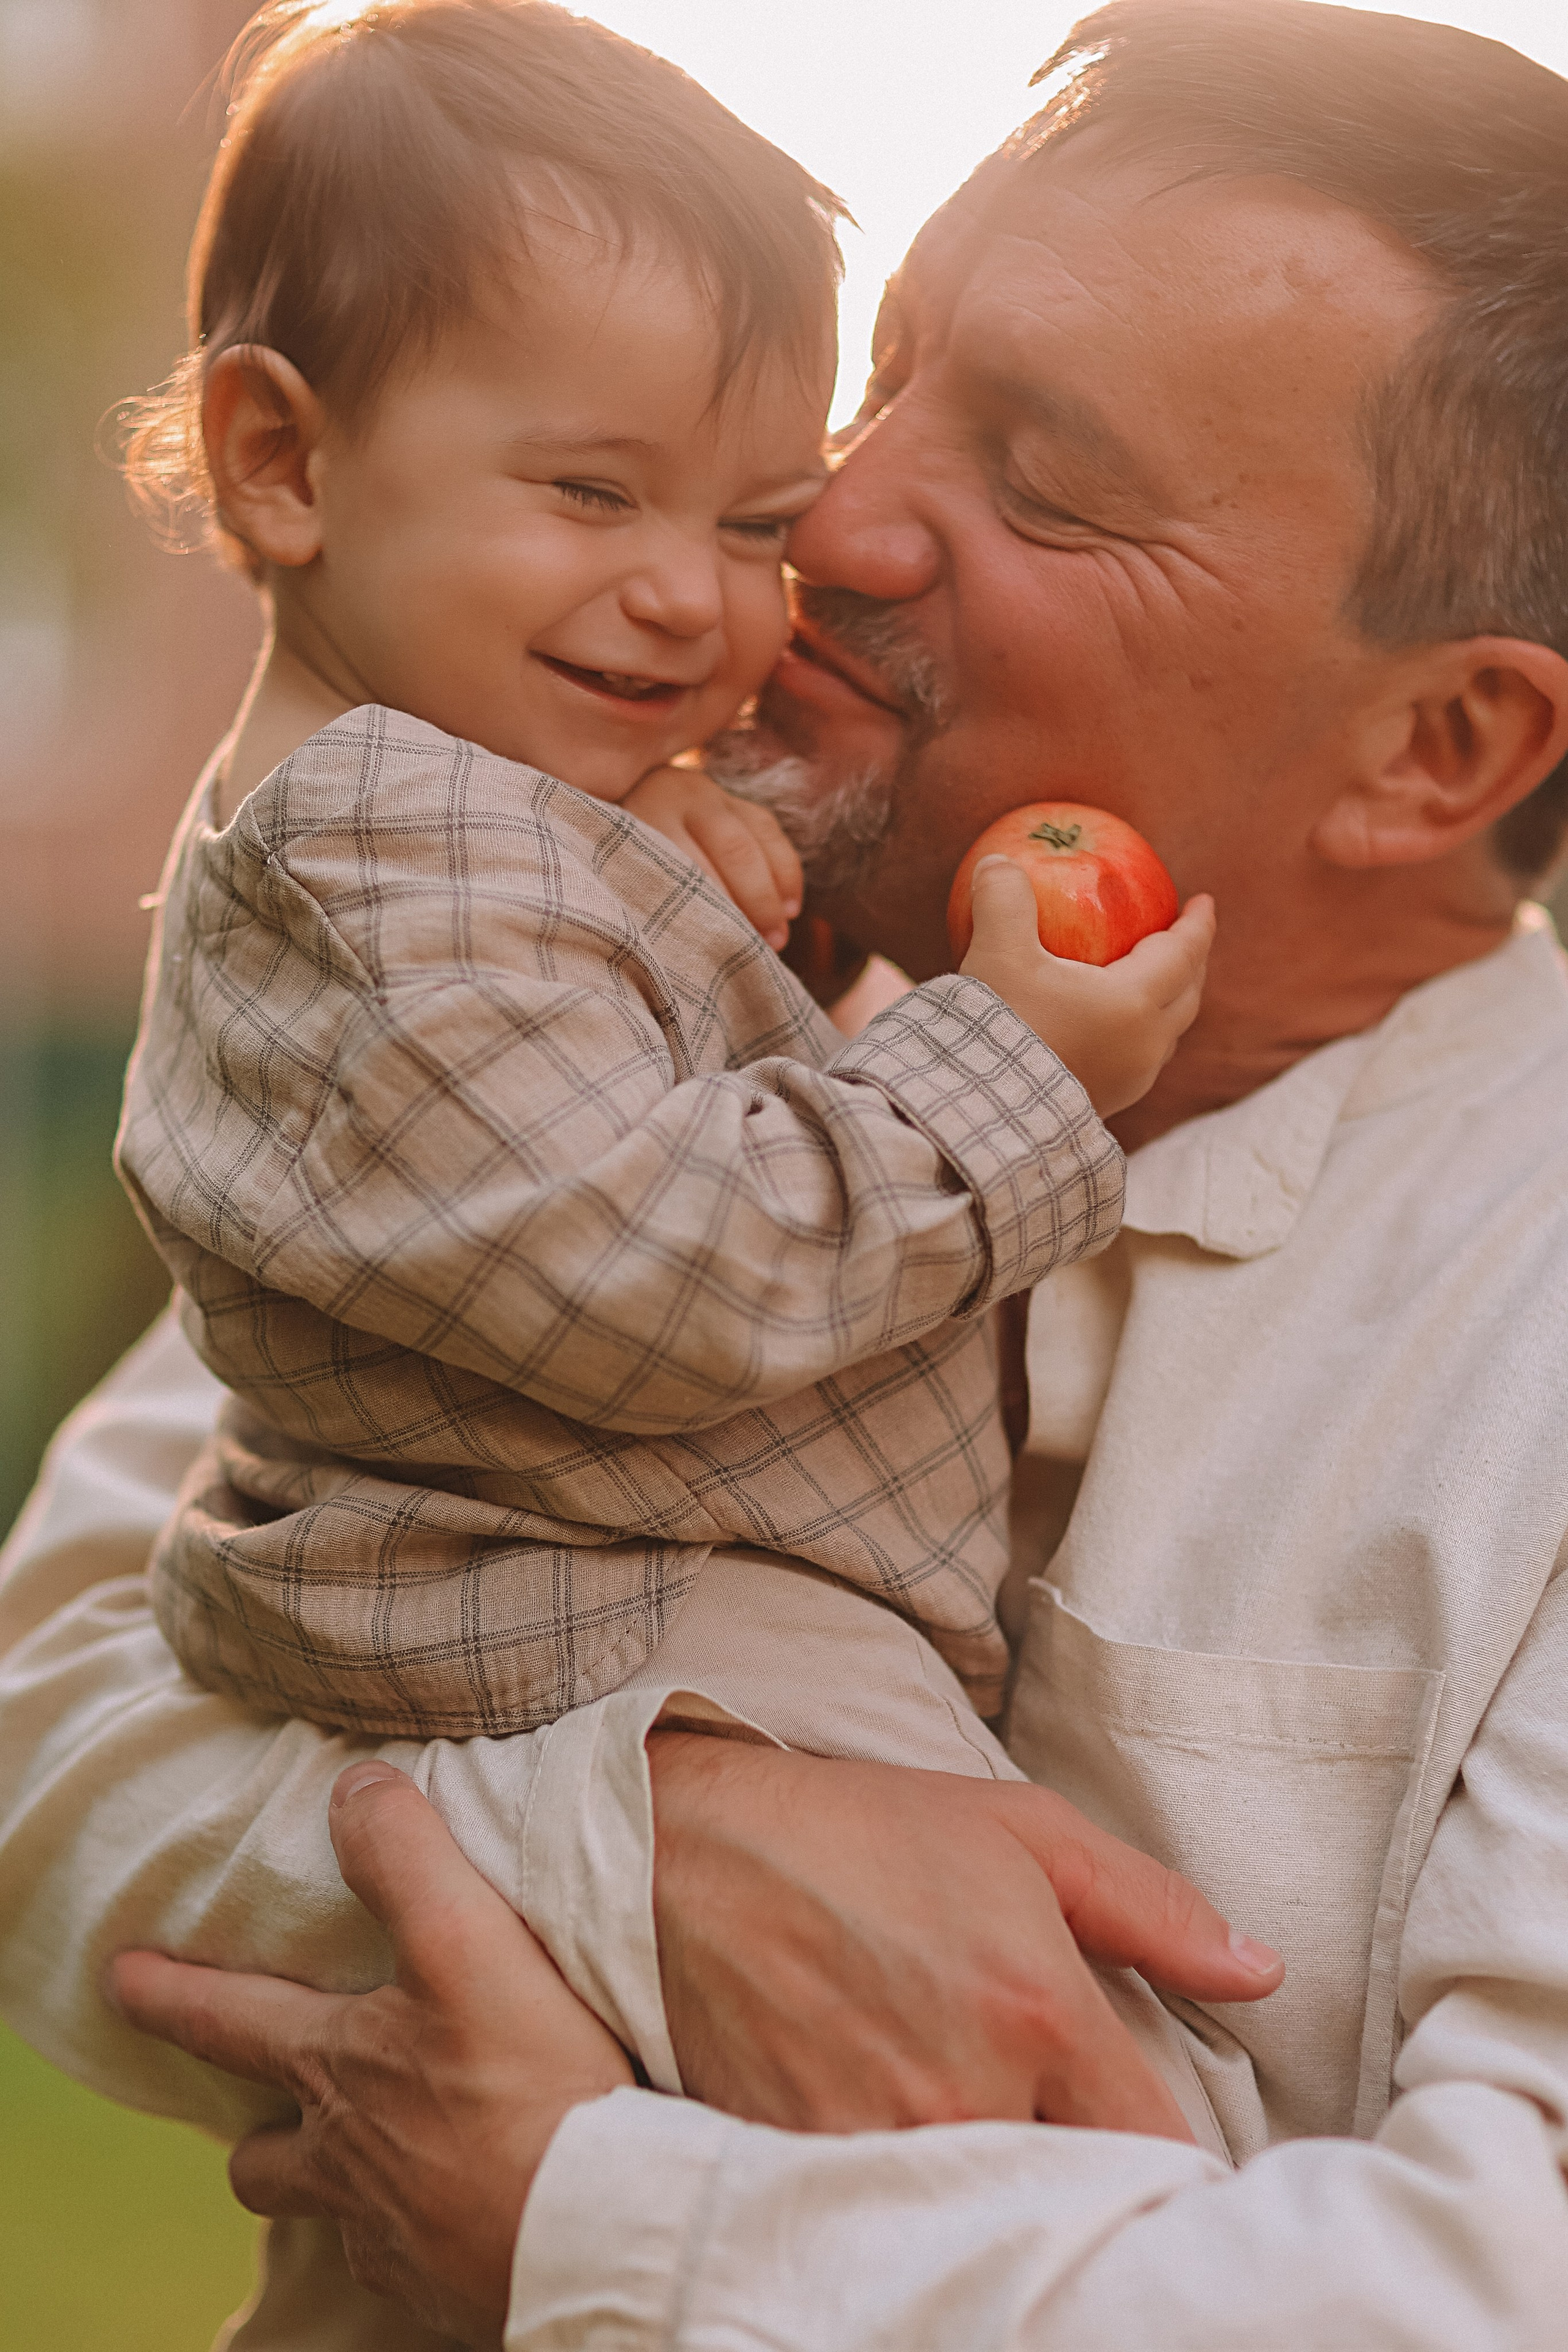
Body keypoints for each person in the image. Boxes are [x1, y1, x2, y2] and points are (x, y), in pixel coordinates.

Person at [9, 0, 1568, 2342]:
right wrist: (660, 1847)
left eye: (1042, 482)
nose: (824, 519)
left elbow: (1490, 2284)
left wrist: (590, 2215)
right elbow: (55, 1707)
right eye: (896, 366)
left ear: (1439, 744)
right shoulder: (574, 958)